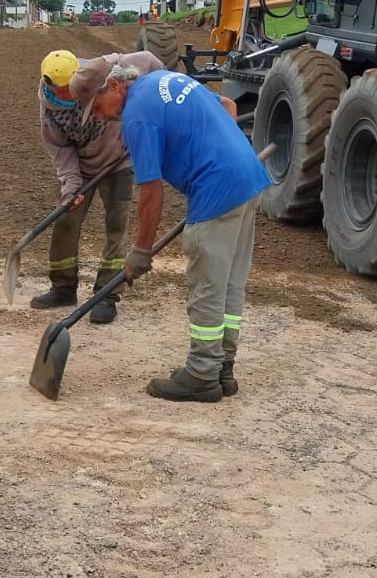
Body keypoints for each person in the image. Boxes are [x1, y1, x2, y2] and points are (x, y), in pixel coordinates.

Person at [84, 64, 269, 403]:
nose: (98, 117)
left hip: (217, 190)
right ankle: (221, 369)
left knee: (208, 288)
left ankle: (201, 375)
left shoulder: (136, 117)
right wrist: (222, 154)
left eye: (96, 108)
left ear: (113, 85)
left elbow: (150, 193)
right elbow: (228, 107)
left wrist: (140, 251)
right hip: (247, 179)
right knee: (228, 285)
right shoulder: (161, 80)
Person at [34, 48, 164, 324]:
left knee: (116, 226)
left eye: (67, 90)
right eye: (57, 92)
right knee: (66, 221)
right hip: (80, 166)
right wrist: (71, 183)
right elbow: (59, 147)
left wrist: (167, 88)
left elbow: (150, 60)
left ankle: (107, 293)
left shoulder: (99, 74)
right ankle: (63, 287)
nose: (64, 96)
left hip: (118, 162)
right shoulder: (50, 105)